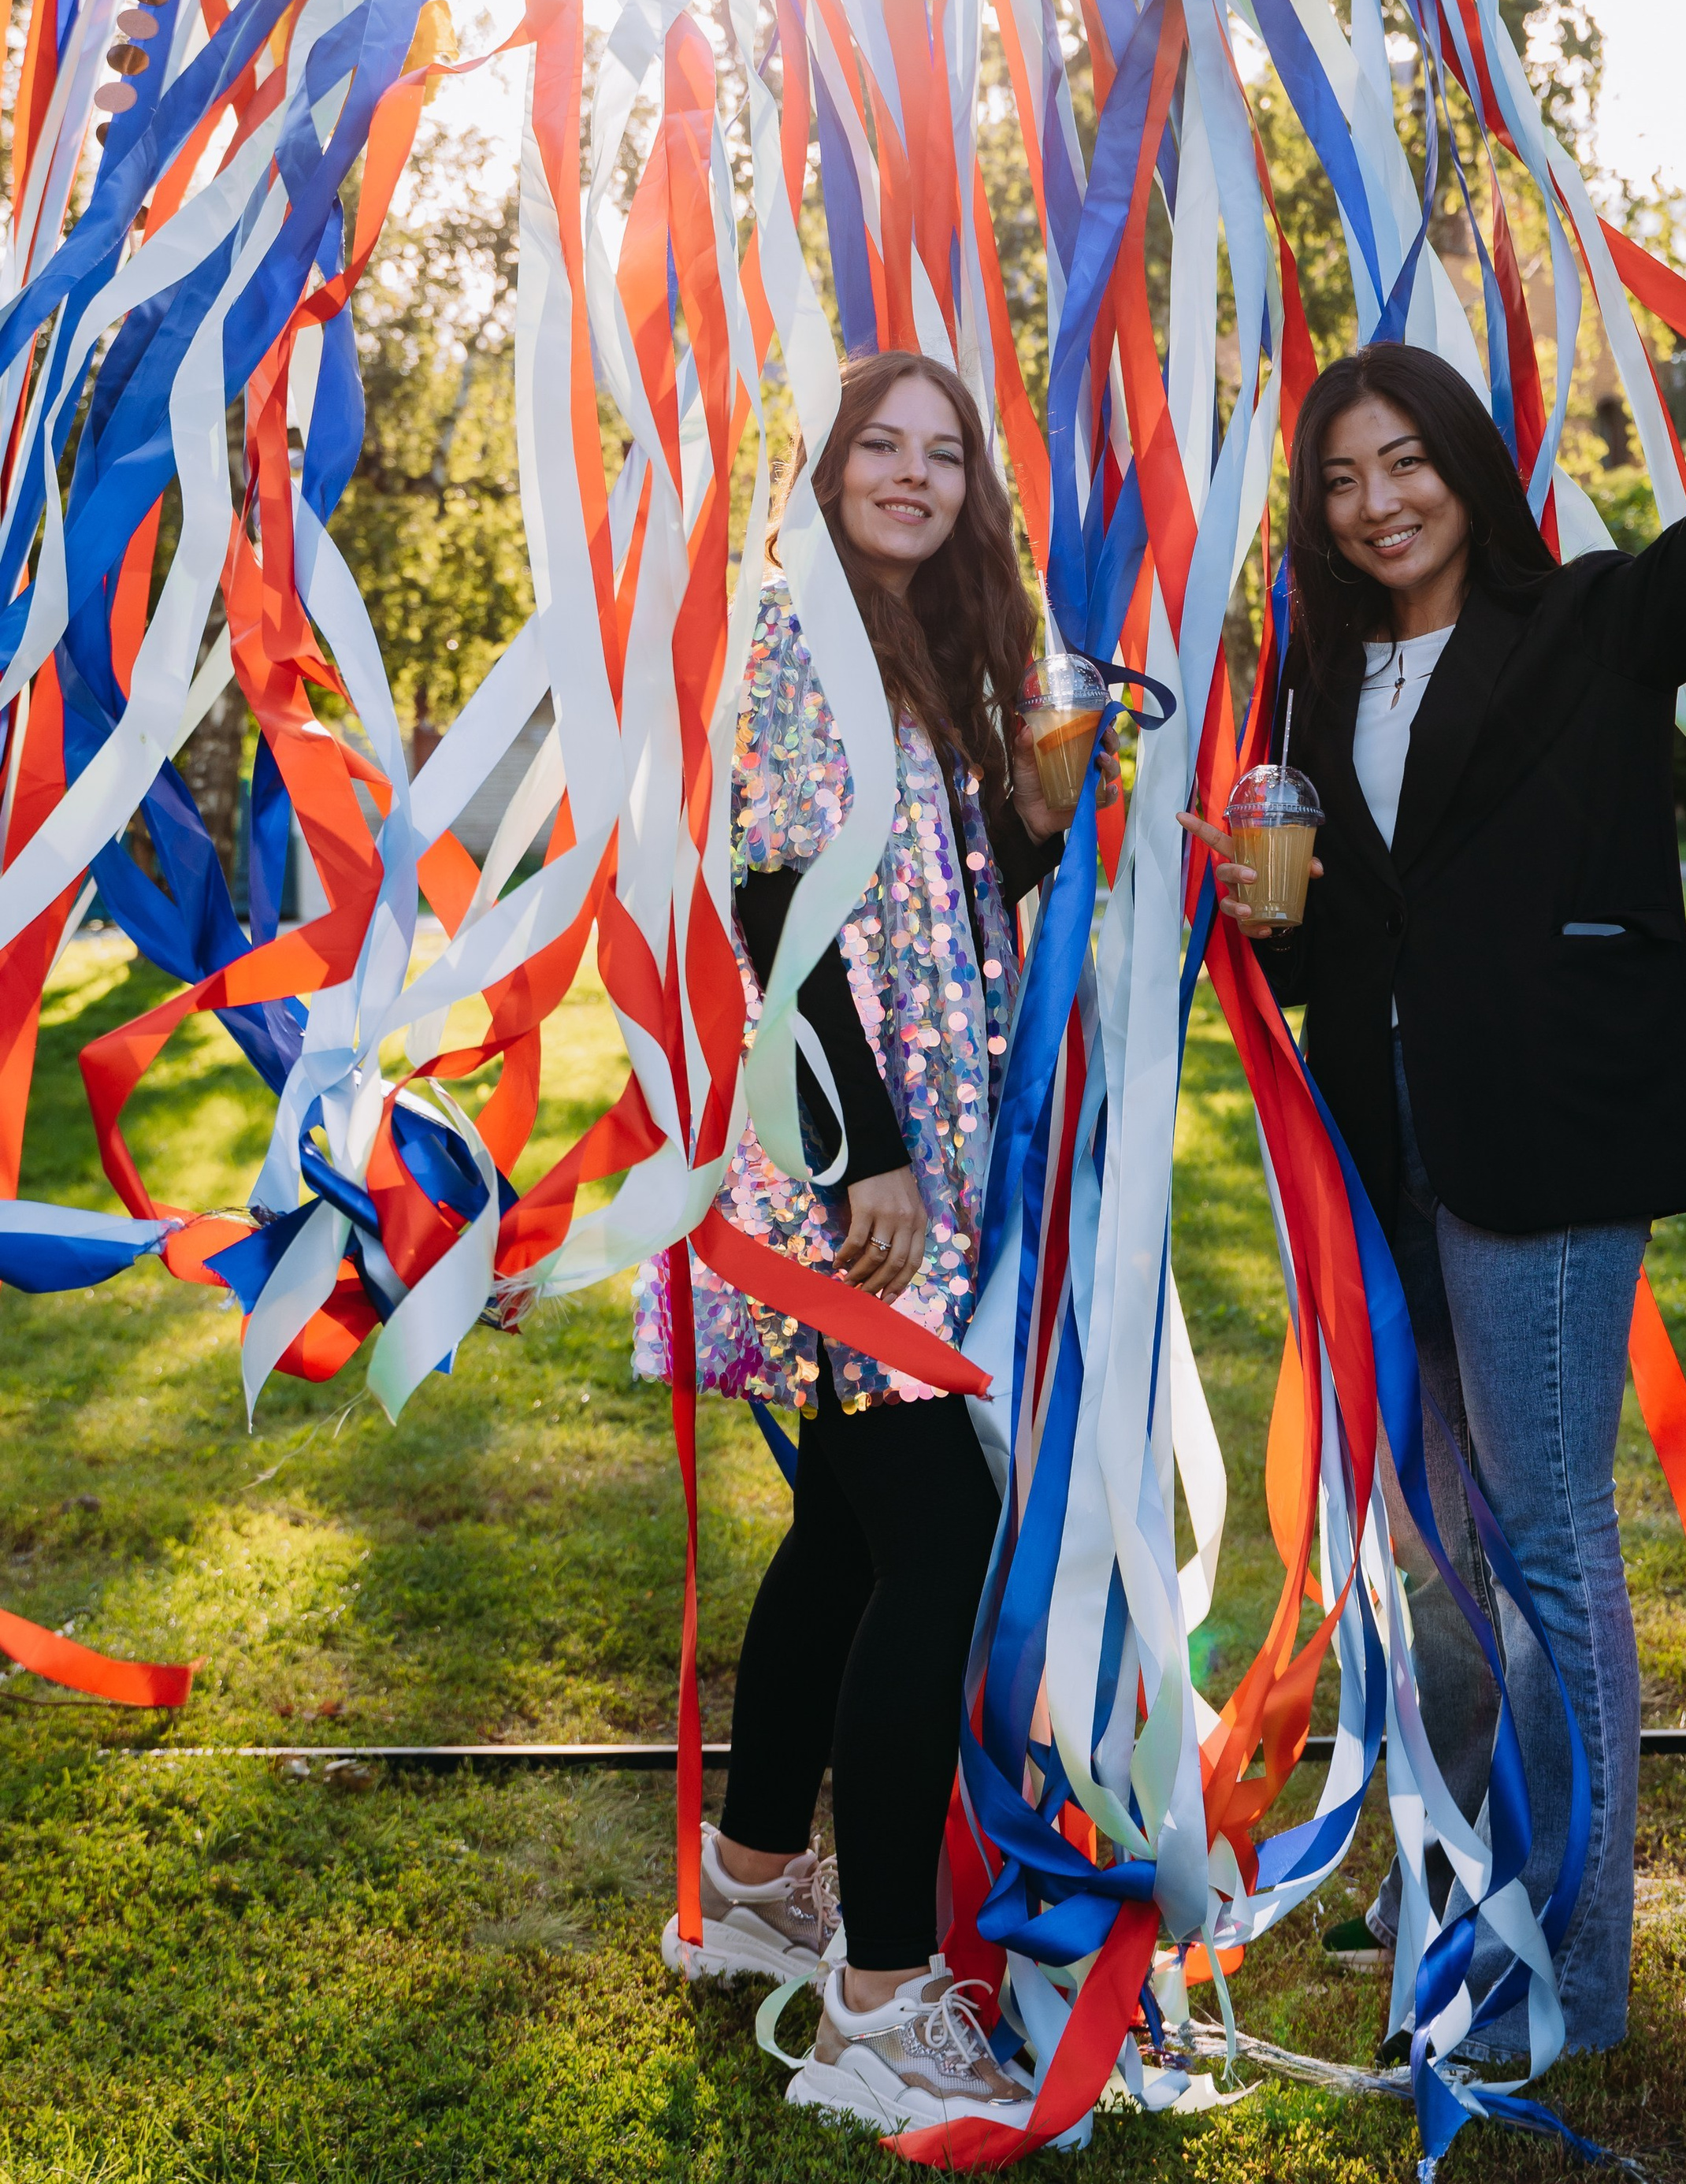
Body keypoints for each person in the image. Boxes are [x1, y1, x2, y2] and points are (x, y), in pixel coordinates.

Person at [1179, 162, 1686, 2064]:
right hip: (1372, 1140)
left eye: (1404, 462)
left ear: (1464, 469)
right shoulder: (1312, 679)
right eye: (1340, 477)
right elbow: (1330, 939)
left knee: (1543, 1541)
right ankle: (1455, 1863)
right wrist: (1255, 906)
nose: (1375, 499)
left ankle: (1568, 1960)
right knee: (1428, 1540)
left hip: (1545, 1136)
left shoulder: (1592, 626)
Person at [636, 347, 1118, 2138]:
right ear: (827, 468)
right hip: (835, 1166)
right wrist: (873, 1159)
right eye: (880, 448)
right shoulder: (794, 639)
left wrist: (1032, 816)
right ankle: (880, 2008)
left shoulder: (924, 656)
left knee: (844, 1527)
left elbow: (920, 894)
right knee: (942, 1526)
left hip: (886, 1149)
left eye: (943, 454)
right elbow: (772, 903)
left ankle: (759, 1885)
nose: (912, 476)